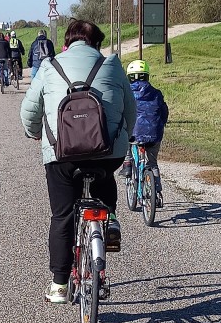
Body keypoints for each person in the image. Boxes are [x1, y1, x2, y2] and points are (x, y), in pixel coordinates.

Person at [20, 18, 136, 305]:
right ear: (97, 45)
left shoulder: (49, 67)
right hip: (107, 153)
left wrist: (36, 134)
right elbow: (130, 111)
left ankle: (59, 285)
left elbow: (29, 112)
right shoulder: (112, 65)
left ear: (65, 45)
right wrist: (123, 140)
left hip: (62, 155)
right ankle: (109, 219)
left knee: (62, 217)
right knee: (104, 176)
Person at [119, 59, 169, 193]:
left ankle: (128, 162)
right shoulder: (156, 93)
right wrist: (161, 123)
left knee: (125, 138)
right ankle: (156, 192)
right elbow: (164, 111)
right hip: (154, 132)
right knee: (152, 163)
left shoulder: (125, 93)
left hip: (133, 132)